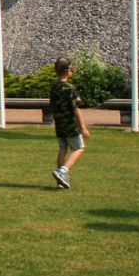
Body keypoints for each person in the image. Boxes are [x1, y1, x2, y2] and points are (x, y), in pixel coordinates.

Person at [50, 56, 90, 189]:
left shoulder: (54, 87)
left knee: (62, 149)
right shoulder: (70, 88)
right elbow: (75, 109)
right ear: (68, 71)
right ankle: (63, 171)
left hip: (59, 124)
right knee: (79, 148)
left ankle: (60, 181)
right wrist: (83, 127)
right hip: (70, 124)